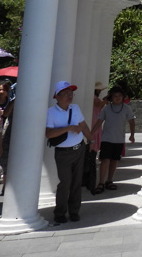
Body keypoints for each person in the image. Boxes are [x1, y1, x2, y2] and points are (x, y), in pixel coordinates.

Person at [45, 81, 92, 224]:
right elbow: (49, 134)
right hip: (63, 153)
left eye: (71, 93)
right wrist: (68, 128)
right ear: (57, 96)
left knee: (77, 182)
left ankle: (74, 211)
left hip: (79, 149)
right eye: (65, 93)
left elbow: (83, 125)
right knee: (65, 183)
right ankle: (59, 212)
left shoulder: (75, 108)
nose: (69, 95)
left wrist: (92, 140)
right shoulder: (51, 113)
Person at [92, 86, 135, 193]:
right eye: (115, 96)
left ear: (123, 97)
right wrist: (91, 134)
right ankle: (101, 182)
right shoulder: (106, 108)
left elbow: (131, 121)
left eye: (120, 96)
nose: (117, 98)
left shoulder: (126, 108)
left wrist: (132, 135)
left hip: (119, 139)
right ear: (111, 97)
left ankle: (109, 180)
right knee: (105, 160)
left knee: (114, 161)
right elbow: (99, 122)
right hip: (106, 138)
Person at [0, 79, 15, 194]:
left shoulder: (11, 101)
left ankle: (6, 186)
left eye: (3, 90)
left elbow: (6, 115)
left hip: (5, 131)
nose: (0, 92)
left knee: (4, 158)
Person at [91, 81, 108, 153]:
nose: (100, 91)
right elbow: (98, 105)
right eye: (99, 90)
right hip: (94, 119)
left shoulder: (95, 98)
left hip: (96, 118)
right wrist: (105, 100)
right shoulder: (94, 98)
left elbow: (99, 107)